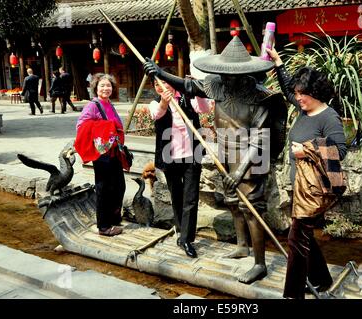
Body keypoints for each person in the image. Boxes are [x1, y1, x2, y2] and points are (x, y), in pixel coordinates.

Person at [144, 36, 287, 283]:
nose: (228, 79)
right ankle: (242, 245)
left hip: (252, 155)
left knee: (251, 208)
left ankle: (260, 263)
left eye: (233, 75)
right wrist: (160, 73)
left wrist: (239, 172)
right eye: (225, 74)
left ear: (245, 73)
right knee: (232, 200)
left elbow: (259, 141)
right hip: (227, 150)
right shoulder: (218, 85)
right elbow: (188, 87)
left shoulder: (260, 97)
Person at [266, 47, 347, 299]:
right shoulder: (304, 107)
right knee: (305, 237)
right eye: (298, 94)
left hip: (314, 191)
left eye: (302, 94)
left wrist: (307, 150)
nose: (297, 97)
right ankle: (322, 278)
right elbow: (289, 87)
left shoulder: (328, 117)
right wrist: (279, 63)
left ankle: (292, 295)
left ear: (315, 93)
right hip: (300, 186)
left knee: (296, 240)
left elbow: (340, 150)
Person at [148, 67, 212, 258]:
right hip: (170, 156)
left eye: (166, 82)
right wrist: (164, 102)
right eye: (157, 83)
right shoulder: (155, 103)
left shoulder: (187, 97)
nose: (162, 86)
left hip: (192, 155)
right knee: (177, 196)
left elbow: (205, 108)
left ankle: (186, 239)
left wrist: (196, 90)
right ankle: (180, 230)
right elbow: (157, 114)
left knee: (190, 197)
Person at [74, 73, 131, 237]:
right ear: (95, 88)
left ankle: (113, 219)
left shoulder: (109, 104)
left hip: (113, 152)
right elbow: (81, 125)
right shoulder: (93, 106)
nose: (106, 88)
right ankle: (104, 226)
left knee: (119, 186)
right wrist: (103, 128)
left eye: (108, 86)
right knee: (103, 188)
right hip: (101, 154)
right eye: (102, 86)